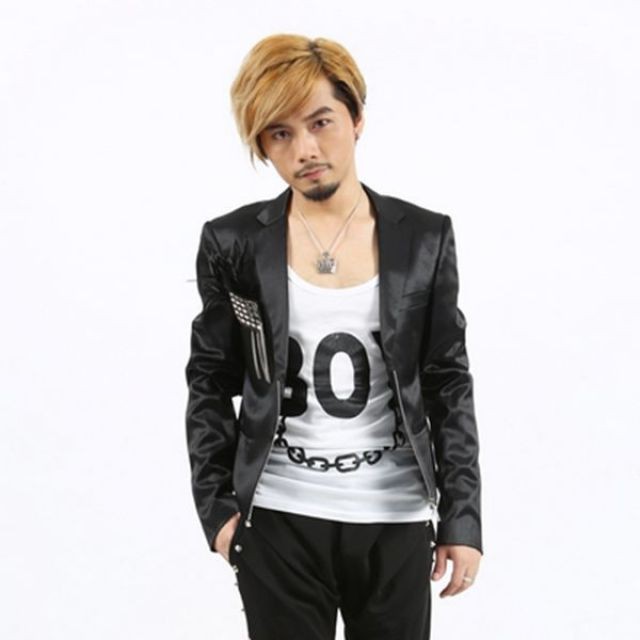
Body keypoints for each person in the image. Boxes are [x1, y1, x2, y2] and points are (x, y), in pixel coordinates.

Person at [185, 33, 483, 640]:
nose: (306, 149)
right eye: (280, 133)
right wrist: (218, 512)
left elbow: (447, 381)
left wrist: (463, 519)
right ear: (262, 145)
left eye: (321, 122)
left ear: (357, 118)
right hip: (278, 516)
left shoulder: (424, 238)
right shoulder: (233, 242)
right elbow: (209, 382)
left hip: (396, 515)